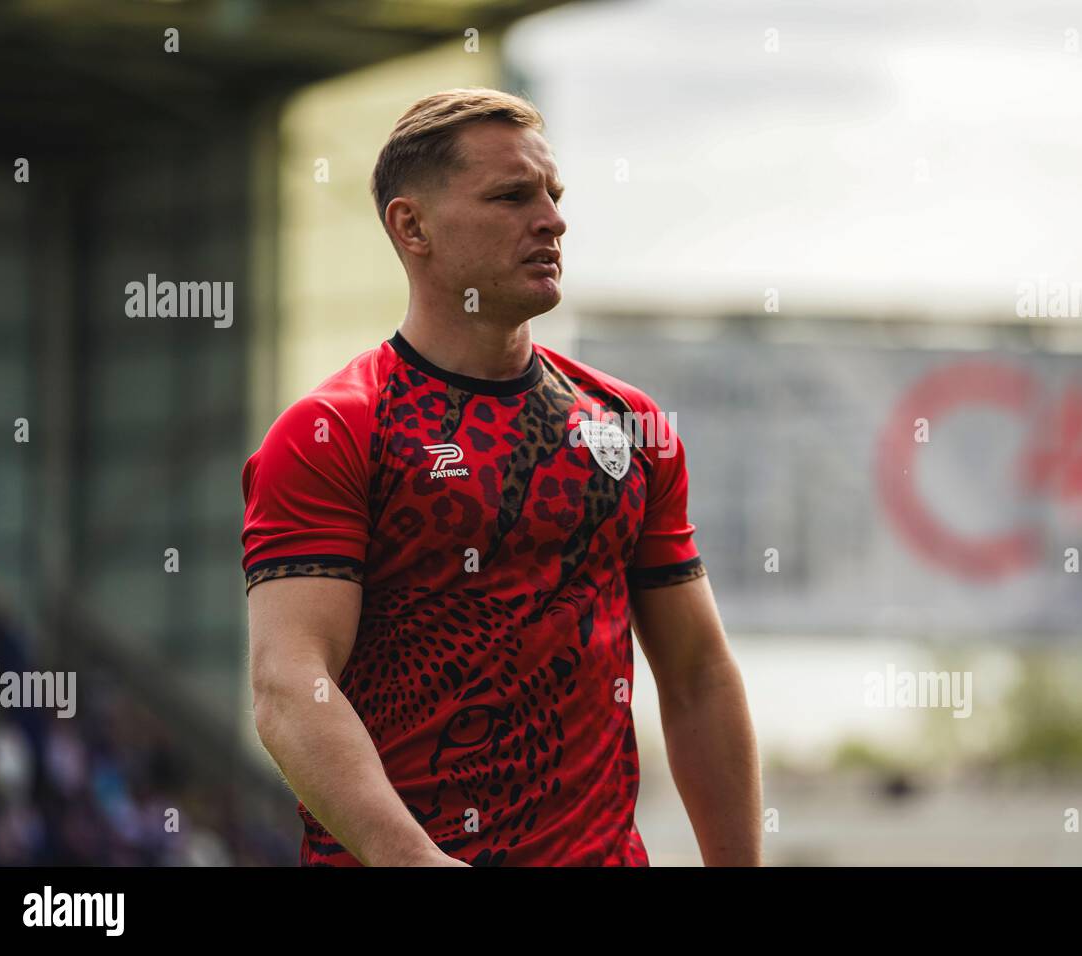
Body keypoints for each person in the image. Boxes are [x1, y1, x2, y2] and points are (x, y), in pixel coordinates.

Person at [241, 88, 761, 866]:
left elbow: (697, 677)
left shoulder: (630, 427)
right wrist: (415, 861)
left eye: (553, 195)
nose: (552, 220)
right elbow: (289, 685)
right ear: (411, 226)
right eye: (513, 197)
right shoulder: (334, 432)